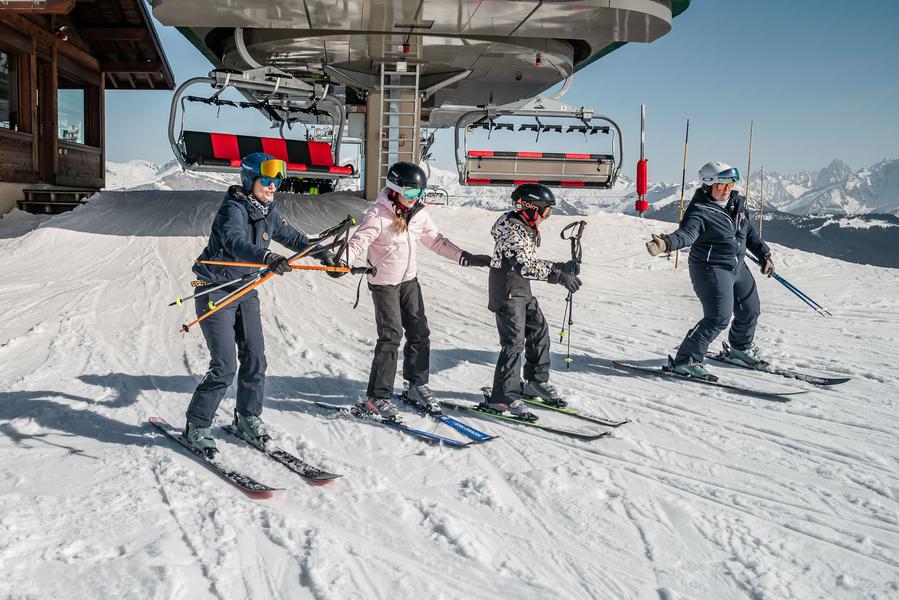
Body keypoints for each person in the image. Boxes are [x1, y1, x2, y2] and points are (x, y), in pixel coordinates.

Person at [185, 152, 334, 455]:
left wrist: (323, 255)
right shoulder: (233, 210)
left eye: (277, 180)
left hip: (246, 289)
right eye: (267, 180)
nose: (273, 186)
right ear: (250, 179)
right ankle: (196, 424)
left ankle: (247, 417)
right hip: (216, 290)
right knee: (225, 365)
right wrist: (267, 257)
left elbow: (293, 238)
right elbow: (235, 242)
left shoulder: (268, 211)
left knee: (255, 358)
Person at [341, 161, 491, 420]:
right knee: (390, 336)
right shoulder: (378, 214)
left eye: (419, 193)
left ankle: (416, 385)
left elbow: (435, 240)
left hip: (409, 280)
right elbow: (358, 241)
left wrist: (464, 257)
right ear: (395, 188)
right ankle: (377, 398)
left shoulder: (419, 213)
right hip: (384, 283)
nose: (415, 198)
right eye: (410, 193)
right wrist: (342, 260)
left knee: (419, 333)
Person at [645, 161, 775, 380]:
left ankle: (740, 349)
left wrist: (765, 254)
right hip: (711, 269)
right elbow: (687, 234)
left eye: (730, 183)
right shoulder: (699, 211)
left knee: (750, 310)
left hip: (738, 267)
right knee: (718, 317)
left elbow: (749, 233)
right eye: (720, 184)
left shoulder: (737, 205)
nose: (726, 189)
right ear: (707, 185)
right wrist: (666, 243)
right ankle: (686, 360)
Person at [485, 183, 582, 419]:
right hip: (507, 291)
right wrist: (558, 276)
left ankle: (535, 382)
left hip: (521, 289)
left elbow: (528, 261)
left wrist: (560, 267)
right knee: (514, 343)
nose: (546, 217)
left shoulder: (524, 226)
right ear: (530, 207)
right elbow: (524, 266)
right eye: (546, 211)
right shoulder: (512, 231)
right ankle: (503, 398)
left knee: (539, 331)